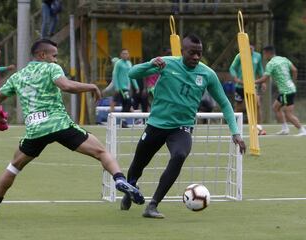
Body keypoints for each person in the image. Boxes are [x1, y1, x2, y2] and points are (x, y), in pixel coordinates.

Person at [0, 39, 145, 220]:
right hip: (59, 125)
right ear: (42, 55)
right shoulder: (51, 68)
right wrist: (91, 86)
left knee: (13, 168)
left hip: (35, 130)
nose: (56, 60)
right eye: (54, 56)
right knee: (101, 152)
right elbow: (66, 86)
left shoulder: (18, 76)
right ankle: (119, 179)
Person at [120, 34, 246, 219]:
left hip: (182, 128)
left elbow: (225, 104)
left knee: (179, 155)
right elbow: (132, 73)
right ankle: (130, 188)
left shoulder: (207, 74)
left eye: (199, 53)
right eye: (192, 53)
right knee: (138, 164)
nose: (196, 57)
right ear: (182, 51)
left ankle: (153, 205)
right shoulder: (166, 64)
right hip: (156, 125)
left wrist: (235, 132)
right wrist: (151, 64)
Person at [255, 46, 306, 136]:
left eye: (264, 54)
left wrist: (252, 82)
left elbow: (264, 79)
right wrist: (292, 82)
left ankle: (302, 130)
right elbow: (295, 70)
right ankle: (285, 129)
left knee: (288, 113)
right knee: (275, 107)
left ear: (268, 53)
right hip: (288, 89)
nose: (264, 56)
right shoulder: (284, 59)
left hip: (286, 91)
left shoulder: (271, 64)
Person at [229, 45, 266, 135]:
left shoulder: (258, 56)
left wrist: (263, 82)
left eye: (251, 48)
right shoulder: (239, 55)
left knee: (257, 104)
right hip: (240, 85)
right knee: (238, 107)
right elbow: (232, 68)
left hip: (252, 85)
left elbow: (260, 70)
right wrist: (235, 77)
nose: (250, 49)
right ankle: (235, 128)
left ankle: (259, 128)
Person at [112, 49, 139, 126]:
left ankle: (123, 123)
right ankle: (122, 119)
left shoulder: (129, 63)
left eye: (126, 53)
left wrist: (136, 86)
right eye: (123, 53)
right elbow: (115, 75)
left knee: (125, 104)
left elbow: (132, 75)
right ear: (120, 55)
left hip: (127, 87)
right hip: (121, 88)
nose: (125, 55)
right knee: (129, 102)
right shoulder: (118, 63)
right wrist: (117, 87)